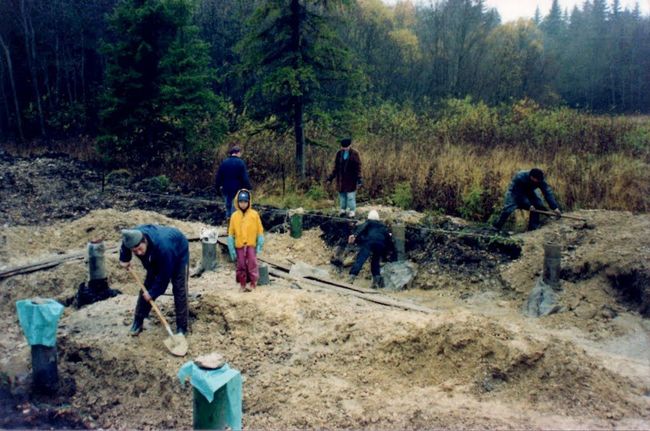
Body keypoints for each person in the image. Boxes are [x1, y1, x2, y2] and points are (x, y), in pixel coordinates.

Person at [119, 225, 189, 336]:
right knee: (147, 287)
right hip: (157, 252)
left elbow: (164, 276)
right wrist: (124, 259)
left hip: (178, 250)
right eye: (135, 251)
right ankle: (138, 321)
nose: (139, 253)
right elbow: (125, 245)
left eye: (140, 249)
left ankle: (182, 327)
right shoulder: (132, 237)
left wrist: (153, 293)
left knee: (179, 288)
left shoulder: (164, 248)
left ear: (145, 241)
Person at [493, 168, 561, 232]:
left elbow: (547, 192)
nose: (538, 182)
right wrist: (528, 205)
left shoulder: (540, 179)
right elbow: (518, 196)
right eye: (537, 180)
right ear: (532, 177)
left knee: (537, 205)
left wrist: (555, 207)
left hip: (529, 191)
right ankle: (497, 227)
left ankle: (533, 228)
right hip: (515, 192)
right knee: (508, 209)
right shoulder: (520, 177)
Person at [227, 189, 264, 292]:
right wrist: (231, 246)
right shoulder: (234, 216)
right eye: (241, 202)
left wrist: (260, 240)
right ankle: (242, 283)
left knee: (252, 263)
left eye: (245, 202)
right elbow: (231, 232)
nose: (243, 204)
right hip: (239, 245)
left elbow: (259, 229)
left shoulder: (254, 215)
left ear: (249, 202)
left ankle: (253, 282)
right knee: (241, 265)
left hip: (251, 244)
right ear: (237, 202)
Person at [348, 210, 392, 288]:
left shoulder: (368, 223)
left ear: (369, 217)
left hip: (369, 242)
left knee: (361, 259)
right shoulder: (383, 227)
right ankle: (376, 282)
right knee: (375, 261)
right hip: (380, 245)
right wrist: (388, 251)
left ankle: (351, 278)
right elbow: (388, 239)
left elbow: (361, 228)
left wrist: (354, 235)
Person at [327, 137, 362, 217]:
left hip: (351, 179)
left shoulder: (355, 153)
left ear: (350, 145)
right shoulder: (339, 153)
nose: (344, 148)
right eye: (343, 147)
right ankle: (343, 209)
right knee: (342, 196)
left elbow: (358, 167)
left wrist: (359, 178)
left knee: (350, 196)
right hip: (341, 179)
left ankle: (352, 210)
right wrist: (331, 178)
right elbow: (335, 167)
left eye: (346, 147)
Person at [215, 146, 253, 218]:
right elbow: (244, 177)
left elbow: (219, 176)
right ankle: (233, 220)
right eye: (240, 153)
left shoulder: (224, 162)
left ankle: (228, 218)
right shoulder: (240, 163)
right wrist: (248, 187)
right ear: (237, 153)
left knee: (227, 203)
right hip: (236, 187)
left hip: (225, 187)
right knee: (234, 204)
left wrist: (217, 186)